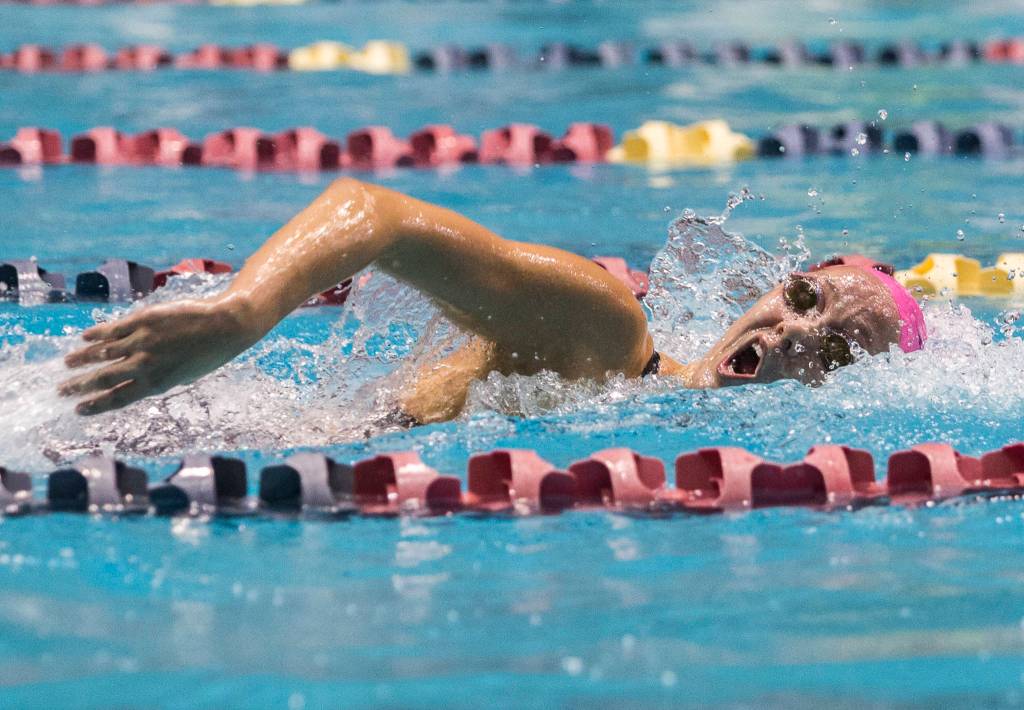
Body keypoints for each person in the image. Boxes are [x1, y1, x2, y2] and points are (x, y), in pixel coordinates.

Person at [58, 177, 926, 424]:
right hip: (177, 422)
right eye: (804, 298)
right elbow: (379, 214)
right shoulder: (607, 329)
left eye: (835, 353)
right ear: (775, 282)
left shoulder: (649, 418)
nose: (791, 333)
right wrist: (242, 313)